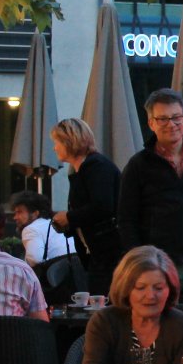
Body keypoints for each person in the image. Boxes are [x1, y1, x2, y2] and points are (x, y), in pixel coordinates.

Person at [117, 89, 183, 305]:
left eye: (176, 117)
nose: (171, 124)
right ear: (151, 123)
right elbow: (126, 219)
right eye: (163, 119)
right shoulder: (139, 165)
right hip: (157, 269)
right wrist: (141, 262)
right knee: (161, 326)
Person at [49, 117, 122, 295]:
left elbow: (102, 206)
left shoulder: (96, 167)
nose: (54, 148)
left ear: (69, 141)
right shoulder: (87, 169)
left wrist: (69, 217)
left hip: (108, 253)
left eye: (57, 142)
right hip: (100, 253)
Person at [8, 190, 76, 266]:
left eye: (19, 212)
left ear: (35, 213)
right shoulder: (51, 224)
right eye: (15, 213)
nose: (15, 217)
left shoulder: (31, 229)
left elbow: (35, 261)